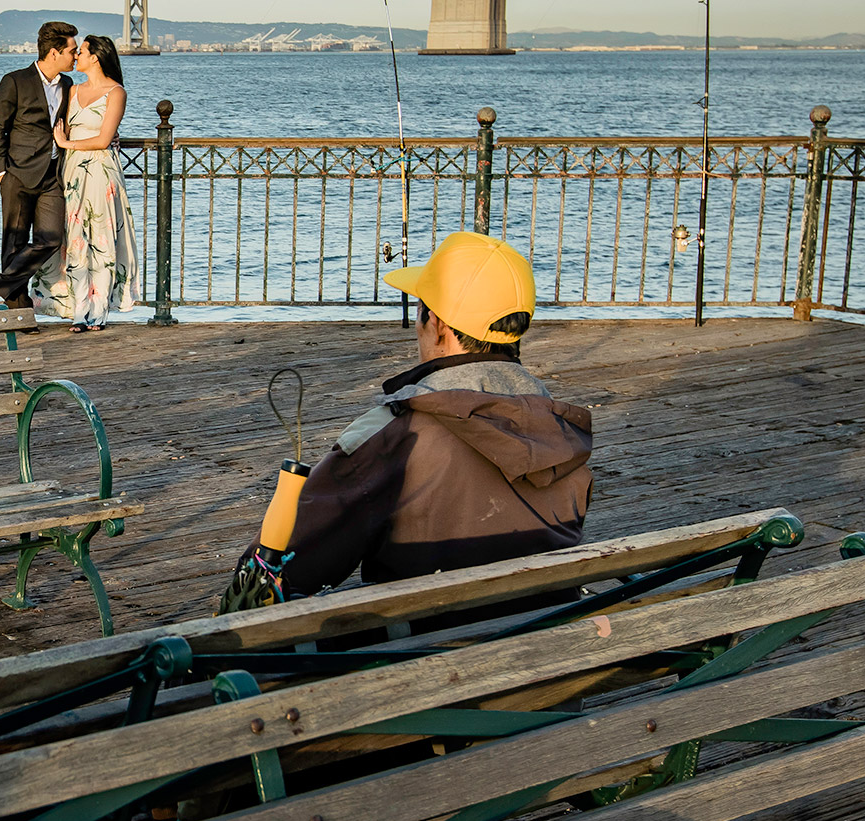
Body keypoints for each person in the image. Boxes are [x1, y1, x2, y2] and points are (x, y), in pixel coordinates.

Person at [217, 232, 593, 625]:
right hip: (546, 647)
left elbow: (287, 568)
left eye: (420, 310)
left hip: (424, 659)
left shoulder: (397, 435)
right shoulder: (559, 428)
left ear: (438, 324)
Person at [32, 34, 141, 330]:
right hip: (73, 174)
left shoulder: (116, 92)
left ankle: (99, 312)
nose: (76, 56)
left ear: (95, 57)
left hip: (101, 172)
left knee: (102, 241)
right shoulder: (73, 90)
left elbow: (104, 139)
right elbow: (59, 129)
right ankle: (80, 312)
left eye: (81, 52)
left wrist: (67, 144)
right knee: (76, 242)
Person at [0, 21, 77, 307]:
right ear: (53, 53)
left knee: (51, 238)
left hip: (52, 175)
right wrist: (0, 170)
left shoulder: (68, 84)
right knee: (15, 243)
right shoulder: (15, 81)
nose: (76, 56)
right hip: (18, 174)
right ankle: (19, 313)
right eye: (71, 51)